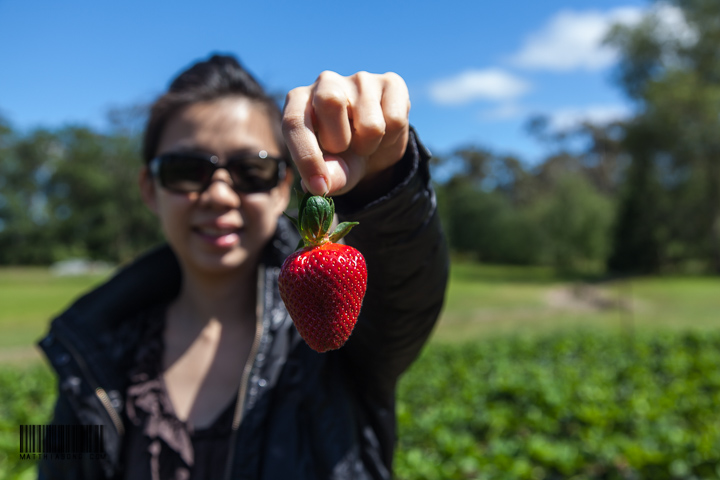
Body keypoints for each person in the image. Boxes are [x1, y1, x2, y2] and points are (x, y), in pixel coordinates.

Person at [37, 54, 448, 480]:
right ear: (149, 188)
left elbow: (407, 284)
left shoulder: (343, 346)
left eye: (251, 170)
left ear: (282, 188)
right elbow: (56, 466)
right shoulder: (84, 352)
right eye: (185, 170)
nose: (219, 195)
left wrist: (386, 176)